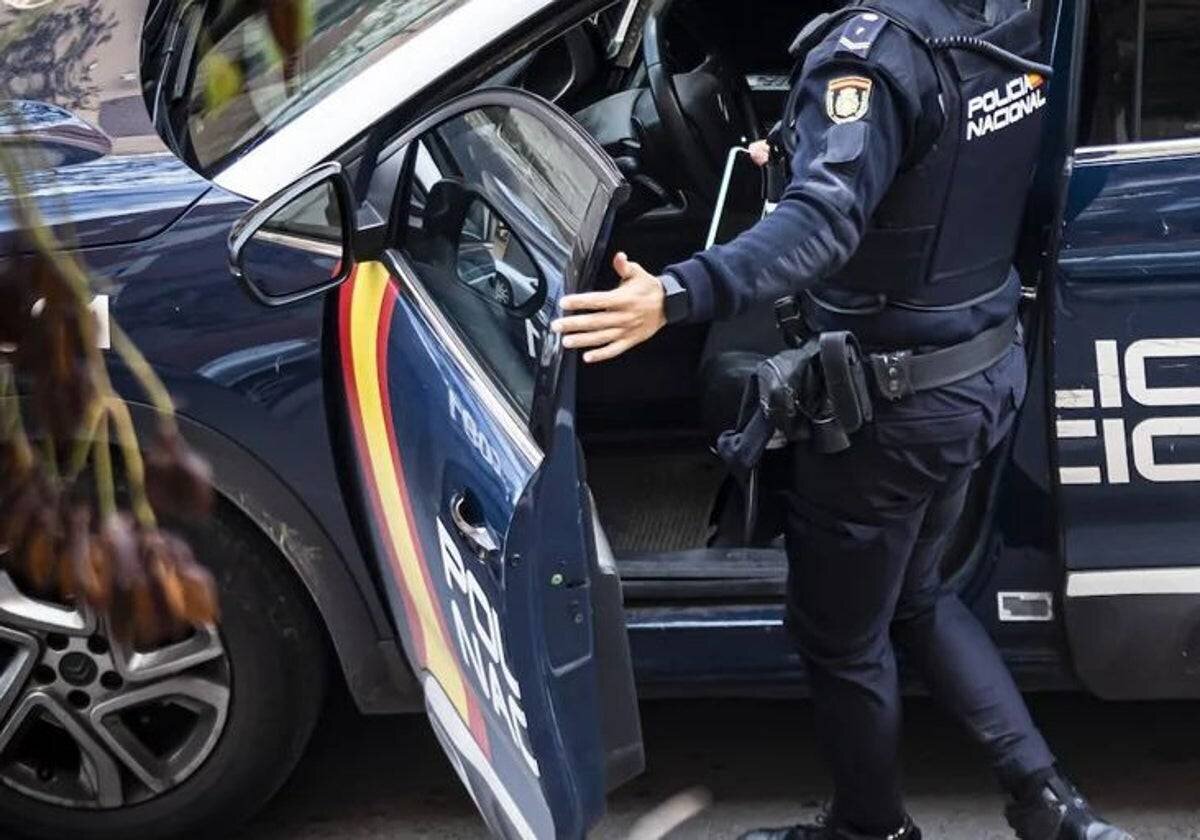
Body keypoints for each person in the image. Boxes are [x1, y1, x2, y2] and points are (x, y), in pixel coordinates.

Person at [550, 1, 1136, 839]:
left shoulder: (869, 55)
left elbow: (824, 222)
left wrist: (676, 292)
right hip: (977, 370)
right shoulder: (1005, 16)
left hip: (889, 411)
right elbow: (943, 159)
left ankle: (870, 829)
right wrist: (796, 148)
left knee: (839, 637)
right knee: (917, 594)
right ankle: (1054, 809)